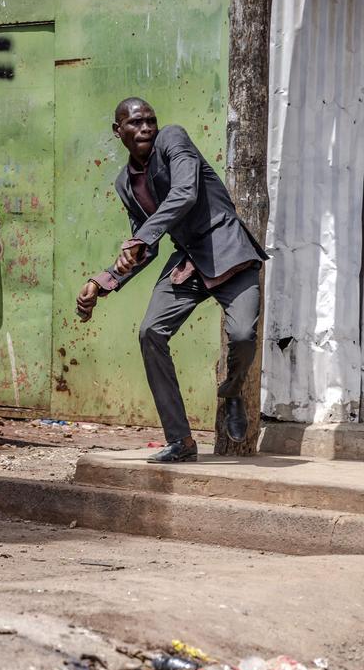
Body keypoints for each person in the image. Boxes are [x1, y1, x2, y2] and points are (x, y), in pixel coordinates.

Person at [75, 98, 267, 463]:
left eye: (150, 120)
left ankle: (231, 390)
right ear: (119, 131)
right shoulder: (125, 184)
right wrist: (101, 283)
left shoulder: (173, 140)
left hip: (228, 252)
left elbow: (184, 193)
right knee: (151, 332)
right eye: (135, 123)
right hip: (188, 263)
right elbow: (142, 248)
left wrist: (140, 239)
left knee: (242, 336)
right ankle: (181, 441)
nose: (146, 128)